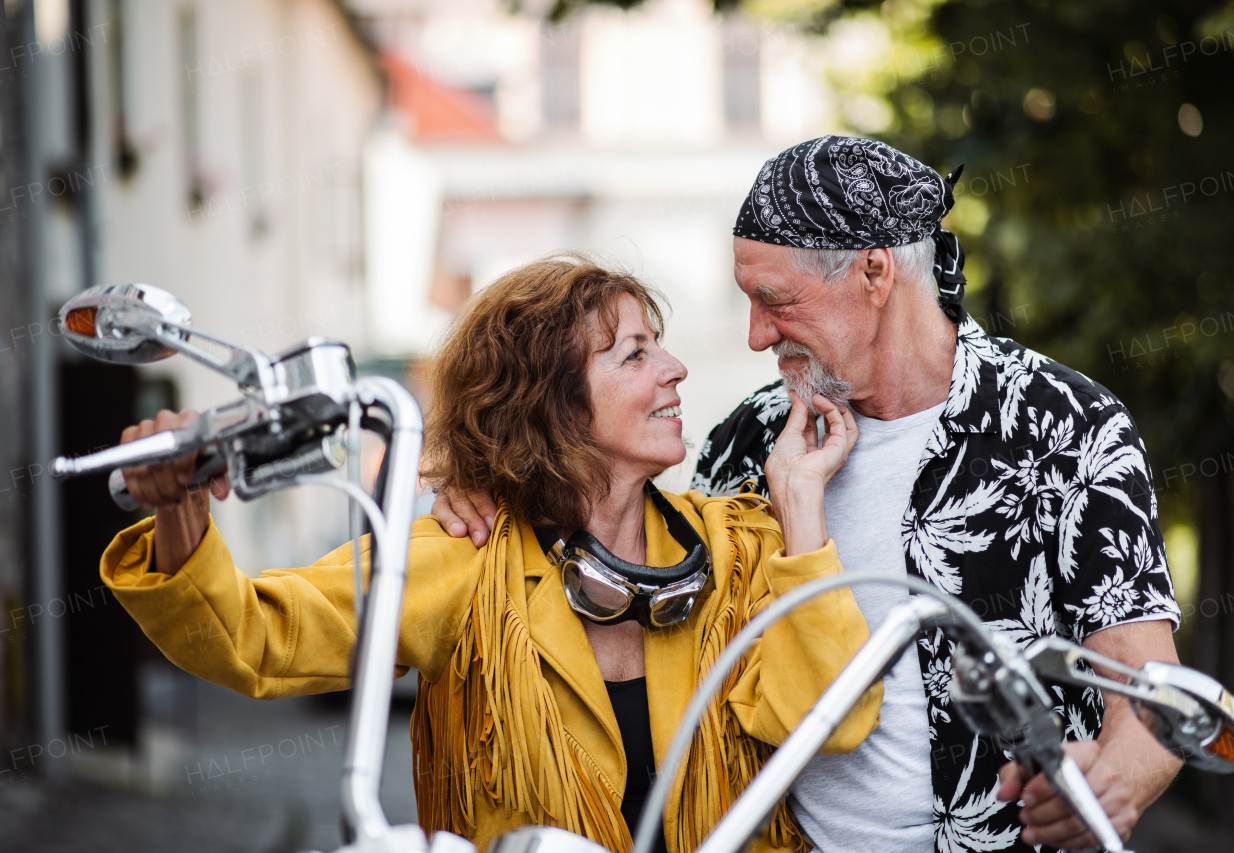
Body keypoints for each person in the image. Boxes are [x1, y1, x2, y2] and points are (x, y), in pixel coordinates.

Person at [433, 138, 1184, 853]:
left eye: (775, 300)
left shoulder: (1065, 426)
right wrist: (489, 480)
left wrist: (1114, 780)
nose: (757, 335)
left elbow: (1152, 694)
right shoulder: (747, 440)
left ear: (874, 273)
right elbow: (600, 514)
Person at [99, 255, 881, 853]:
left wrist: (802, 497)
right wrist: (179, 506)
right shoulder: (463, 553)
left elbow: (832, 719)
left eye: (661, 348)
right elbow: (253, 635)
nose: (675, 370)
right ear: (552, 402)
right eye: (635, 355)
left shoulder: (739, 545)